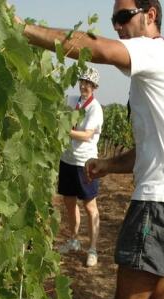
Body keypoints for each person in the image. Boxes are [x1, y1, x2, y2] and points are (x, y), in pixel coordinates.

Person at [14, 1, 164, 299]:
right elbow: (156, 148)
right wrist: (109, 165)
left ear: (150, 15)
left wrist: (24, 29)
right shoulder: (163, 63)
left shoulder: (151, 51)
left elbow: (93, 47)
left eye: (124, 15)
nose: (117, 26)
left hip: (159, 204)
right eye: (114, 17)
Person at [57, 67, 103, 268]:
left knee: (89, 206)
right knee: (68, 201)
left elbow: (86, 135)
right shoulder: (74, 101)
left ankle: (92, 249)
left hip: (86, 163)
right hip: (67, 159)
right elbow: (56, 98)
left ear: (94, 87)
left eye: (88, 83)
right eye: (82, 81)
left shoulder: (95, 109)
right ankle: (74, 240)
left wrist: (63, 130)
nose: (84, 85)